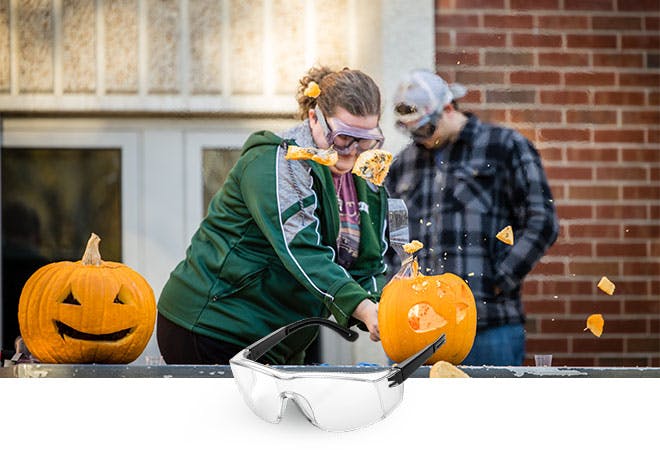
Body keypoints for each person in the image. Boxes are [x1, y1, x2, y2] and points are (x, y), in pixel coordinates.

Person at [157, 66, 389, 365]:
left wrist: (385, 309)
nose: (353, 151)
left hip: (279, 337)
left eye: (367, 139)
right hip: (211, 325)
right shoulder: (278, 161)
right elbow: (300, 249)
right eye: (343, 137)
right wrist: (361, 306)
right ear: (314, 118)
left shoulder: (366, 180)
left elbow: (368, 264)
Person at [386, 69, 559, 366]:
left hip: (489, 322)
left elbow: (542, 220)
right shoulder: (403, 164)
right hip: (417, 332)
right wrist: (393, 291)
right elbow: (391, 236)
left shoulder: (504, 146)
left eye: (426, 129)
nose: (420, 139)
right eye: (412, 132)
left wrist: (500, 278)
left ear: (448, 108)